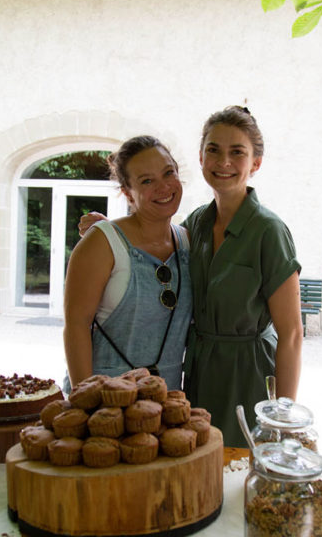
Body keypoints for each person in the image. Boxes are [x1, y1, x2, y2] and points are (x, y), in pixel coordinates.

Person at [79, 107, 303, 446]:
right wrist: (107, 230)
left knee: (240, 472)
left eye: (237, 152)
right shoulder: (196, 225)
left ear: (255, 163)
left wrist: (283, 422)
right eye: (213, 149)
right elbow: (149, 232)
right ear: (200, 157)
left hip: (249, 374)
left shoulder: (269, 232)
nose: (223, 161)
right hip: (196, 374)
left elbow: (292, 335)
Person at [63, 135, 192, 392]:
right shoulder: (102, 242)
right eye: (147, 181)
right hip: (105, 399)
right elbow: (76, 327)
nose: (164, 187)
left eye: (169, 173)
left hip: (167, 399)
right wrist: (85, 401)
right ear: (127, 193)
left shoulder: (187, 241)